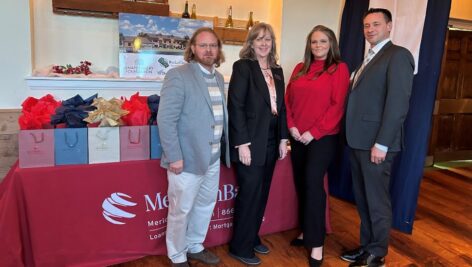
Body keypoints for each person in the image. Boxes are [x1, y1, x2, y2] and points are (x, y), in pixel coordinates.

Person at [340, 8, 414, 267]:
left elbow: (397, 105)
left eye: (376, 24)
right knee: (363, 199)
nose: (370, 29)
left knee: (376, 200)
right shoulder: (368, 58)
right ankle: (367, 246)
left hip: (377, 145)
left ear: (389, 26)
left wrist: (381, 143)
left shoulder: (398, 56)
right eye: (366, 25)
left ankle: (378, 253)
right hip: (359, 141)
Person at [157, 27, 230, 267]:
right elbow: (166, 119)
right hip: (186, 159)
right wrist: (174, 156)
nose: (208, 50)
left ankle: (195, 245)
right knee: (181, 210)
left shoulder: (218, 78)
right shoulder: (178, 75)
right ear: (193, 49)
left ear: (218, 49)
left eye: (213, 45)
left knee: (206, 204)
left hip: (212, 158)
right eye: (203, 45)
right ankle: (177, 255)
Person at [285, 25, 350, 267]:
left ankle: (317, 242)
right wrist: (291, 126)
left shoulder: (338, 68)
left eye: (323, 41)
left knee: (313, 183)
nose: (318, 46)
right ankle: (306, 231)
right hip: (297, 136)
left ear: (331, 43)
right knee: (302, 183)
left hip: (323, 137)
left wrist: (314, 132)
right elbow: (287, 99)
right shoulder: (299, 69)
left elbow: (337, 106)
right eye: (314, 42)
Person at [227, 22, 288, 265]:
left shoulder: (278, 70)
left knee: (262, 193)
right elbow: (236, 106)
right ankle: (240, 247)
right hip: (251, 141)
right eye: (259, 39)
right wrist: (242, 143)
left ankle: (252, 237)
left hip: (272, 139)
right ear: (251, 43)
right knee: (250, 193)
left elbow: (282, 108)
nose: (264, 43)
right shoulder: (243, 67)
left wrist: (284, 138)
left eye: (268, 39)